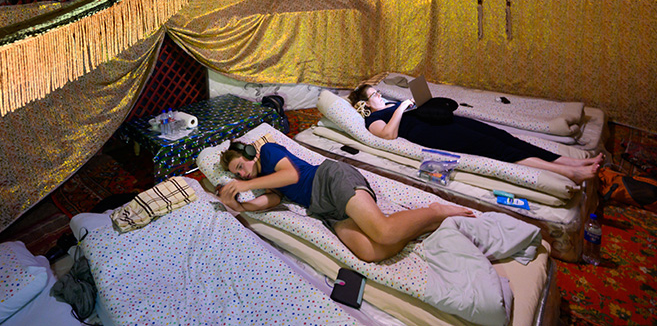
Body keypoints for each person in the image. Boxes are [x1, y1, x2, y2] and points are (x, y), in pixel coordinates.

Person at [218, 141, 474, 262]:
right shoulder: (263, 180)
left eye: (241, 166)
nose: (242, 174)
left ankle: (434, 211)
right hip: (324, 209)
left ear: (250, 153)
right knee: (370, 252)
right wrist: (241, 206)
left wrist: (246, 185)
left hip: (330, 179)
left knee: (384, 232)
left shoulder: (269, 152)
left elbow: (291, 174)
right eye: (237, 173)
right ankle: (422, 224)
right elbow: (271, 200)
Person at [348, 83, 602, 183]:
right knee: (498, 150)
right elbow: (389, 136)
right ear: (365, 104)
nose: (380, 95)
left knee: (504, 137)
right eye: (374, 95)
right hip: (435, 136)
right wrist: (402, 107)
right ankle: (569, 173)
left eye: (378, 92)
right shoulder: (375, 118)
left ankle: (571, 160)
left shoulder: (388, 106)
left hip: (443, 122)